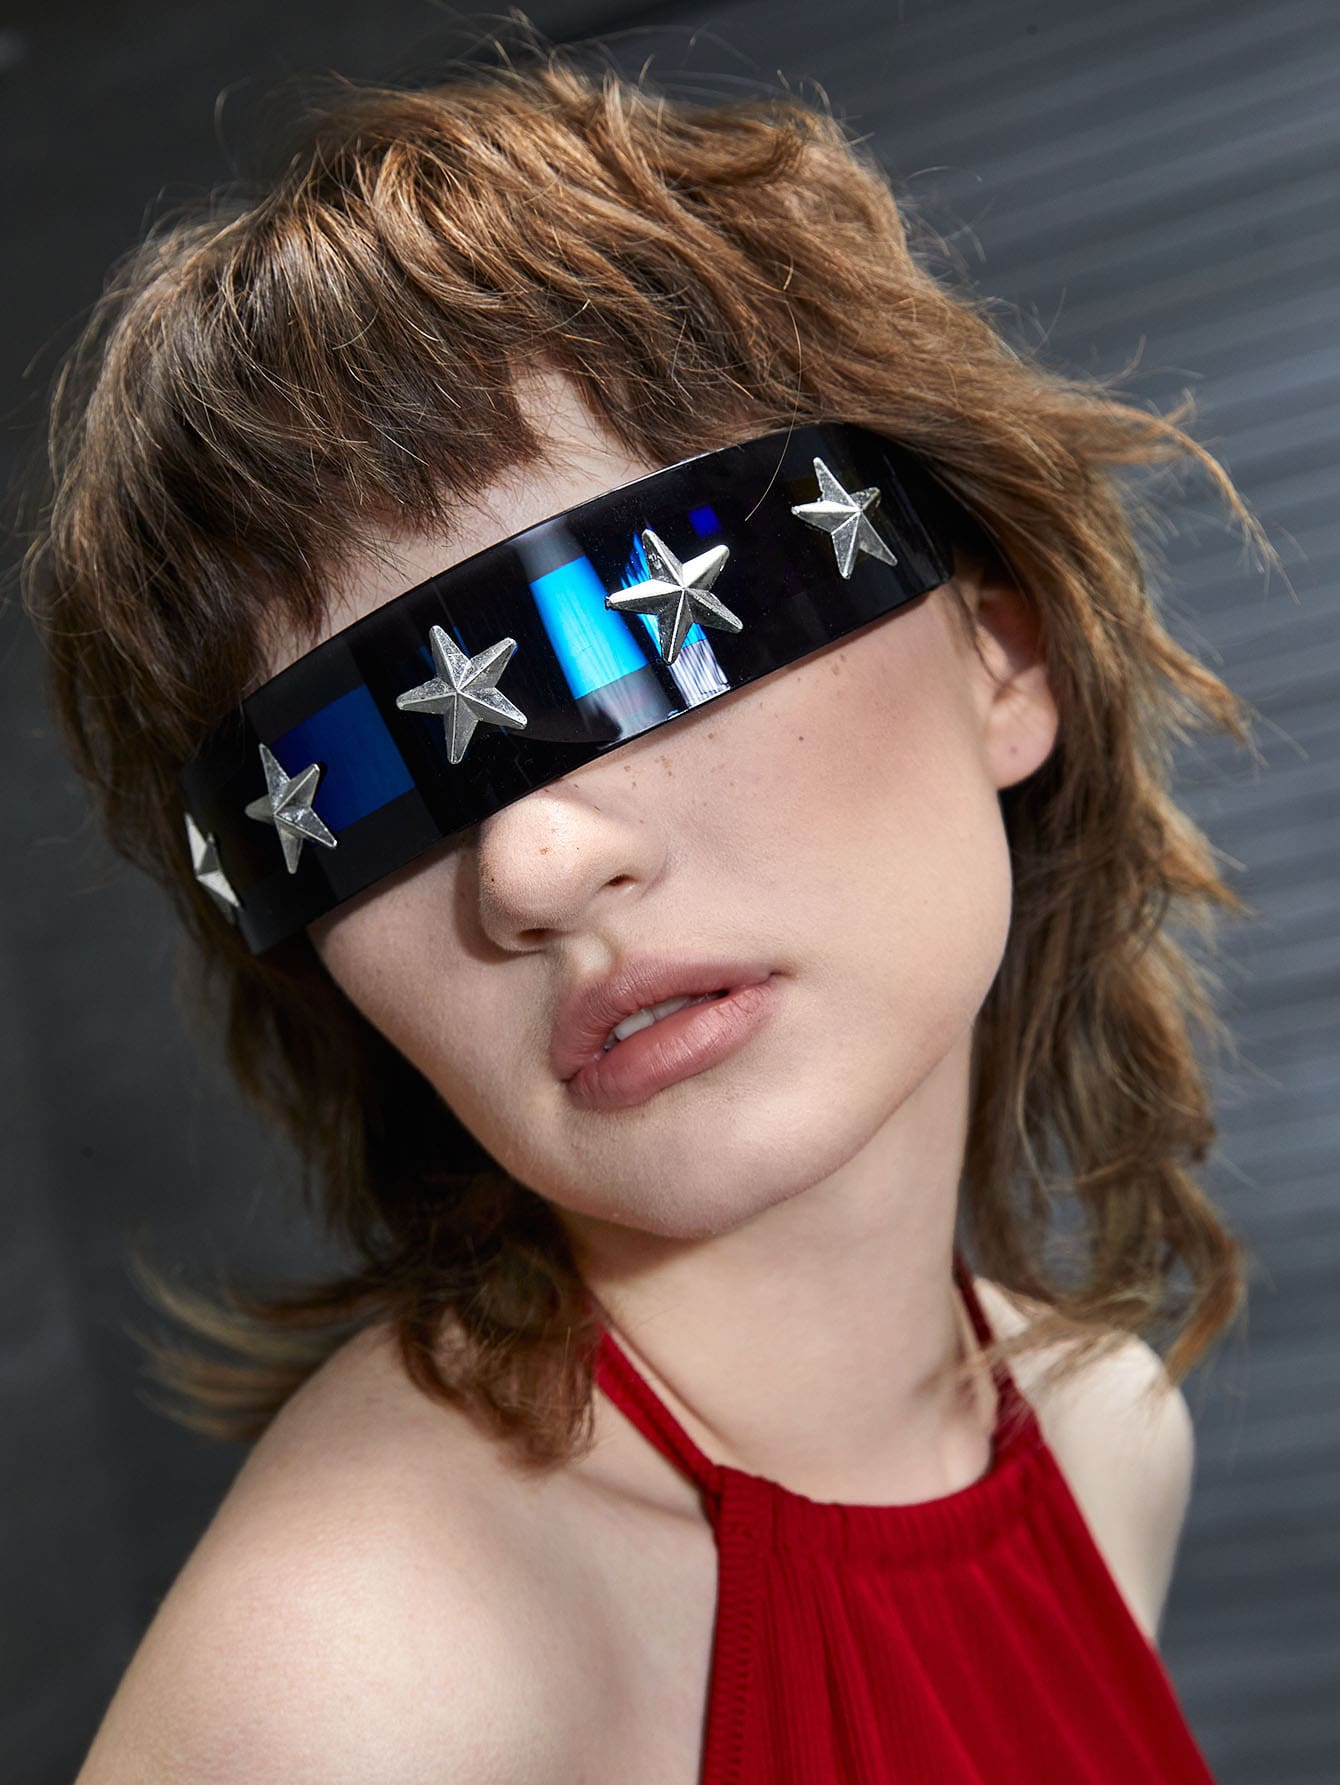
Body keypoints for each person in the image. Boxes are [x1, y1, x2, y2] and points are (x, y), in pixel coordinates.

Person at [25, 32, 1263, 1785]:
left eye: (635, 626)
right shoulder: (362, 1676)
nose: (531, 867)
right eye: (349, 787)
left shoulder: (1103, 1431)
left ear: (1003, 656)